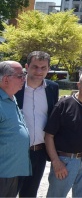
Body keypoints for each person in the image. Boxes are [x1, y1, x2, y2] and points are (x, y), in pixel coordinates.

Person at [45, 70, 82, 198]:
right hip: (65, 161)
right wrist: (56, 161)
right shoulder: (64, 105)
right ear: (78, 85)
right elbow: (49, 135)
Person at [15, 51, 59, 198]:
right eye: (35, 67)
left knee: (30, 193)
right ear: (26, 67)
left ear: (48, 69)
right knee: (8, 192)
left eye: (43, 67)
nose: (39, 71)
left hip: (39, 152)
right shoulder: (15, 87)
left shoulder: (52, 88)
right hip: (16, 152)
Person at [0, 61, 30, 198]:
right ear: (6, 79)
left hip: (13, 171)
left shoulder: (11, 97)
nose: (24, 79)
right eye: (20, 76)